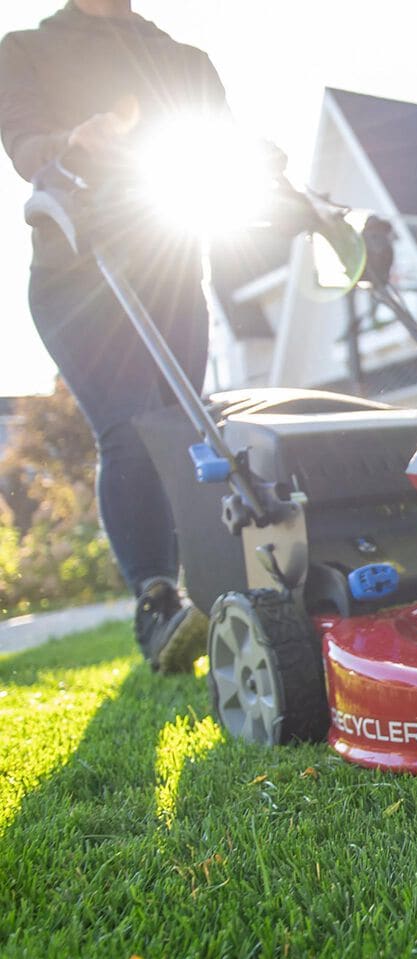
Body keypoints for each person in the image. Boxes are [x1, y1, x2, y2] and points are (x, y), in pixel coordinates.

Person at [0, 0, 228, 672]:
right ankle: (157, 603)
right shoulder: (24, 49)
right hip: (79, 273)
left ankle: (217, 596)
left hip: (172, 270)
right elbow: (24, 146)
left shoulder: (186, 63)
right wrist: (72, 141)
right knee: (130, 428)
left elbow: (229, 159)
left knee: (188, 432)